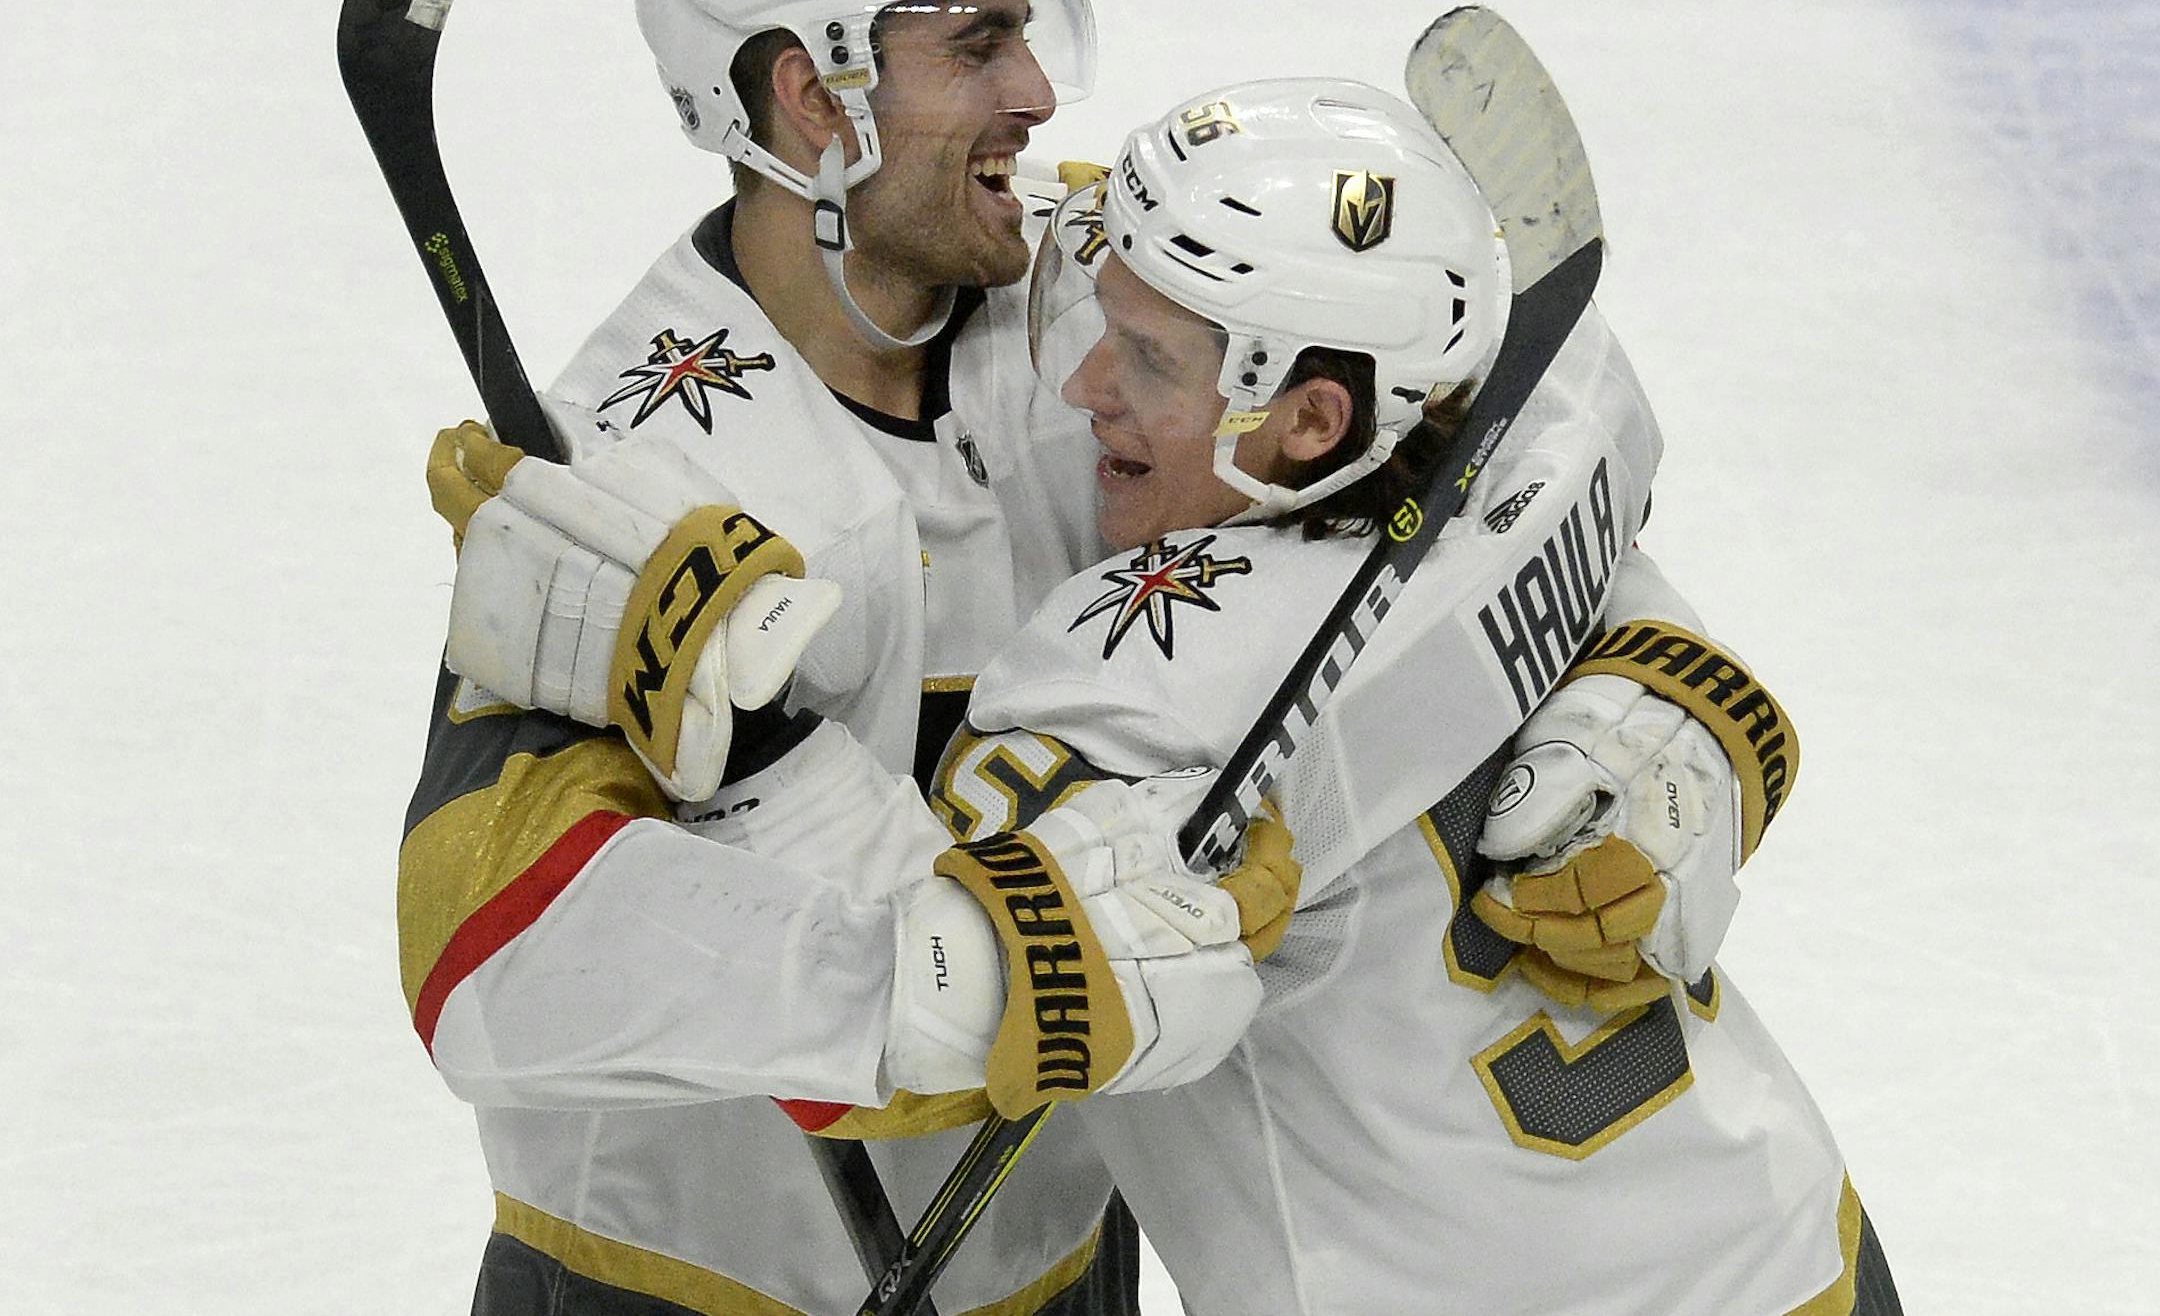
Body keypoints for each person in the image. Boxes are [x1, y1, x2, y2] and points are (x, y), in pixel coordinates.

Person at [441, 75, 1901, 1313]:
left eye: (1146, 356)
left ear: (1310, 414)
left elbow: (946, 982)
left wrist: (723, 700)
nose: (1083, 387)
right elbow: (1582, 398)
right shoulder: (1512, 478)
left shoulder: (1131, 667)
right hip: (1791, 1245)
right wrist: (1670, 682)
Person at [400, 0, 1184, 1315]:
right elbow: (482, 951)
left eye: (1029, 28)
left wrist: (1635, 677)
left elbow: (1458, 365)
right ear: (815, 98)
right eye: (976, 45)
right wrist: (925, 992)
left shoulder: (1099, 312)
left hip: (1063, 1266)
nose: (1034, 93)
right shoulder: (638, 484)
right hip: (683, 1291)